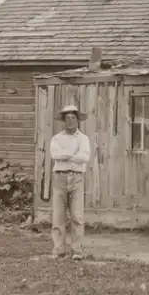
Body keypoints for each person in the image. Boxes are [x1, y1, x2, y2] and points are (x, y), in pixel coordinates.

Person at [49, 104, 91, 259]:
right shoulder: (57, 138)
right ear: (63, 121)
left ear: (78, 120)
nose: (71, 121)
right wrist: (72, 154)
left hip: (77, 178)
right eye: (67, 118)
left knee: (77, 216)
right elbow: (55, 155)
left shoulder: (83, 139)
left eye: (73, 118)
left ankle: (77, 251)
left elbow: (84, 157)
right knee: (58, 216)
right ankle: (59, 249)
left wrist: (66, 155)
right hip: (60, 177)